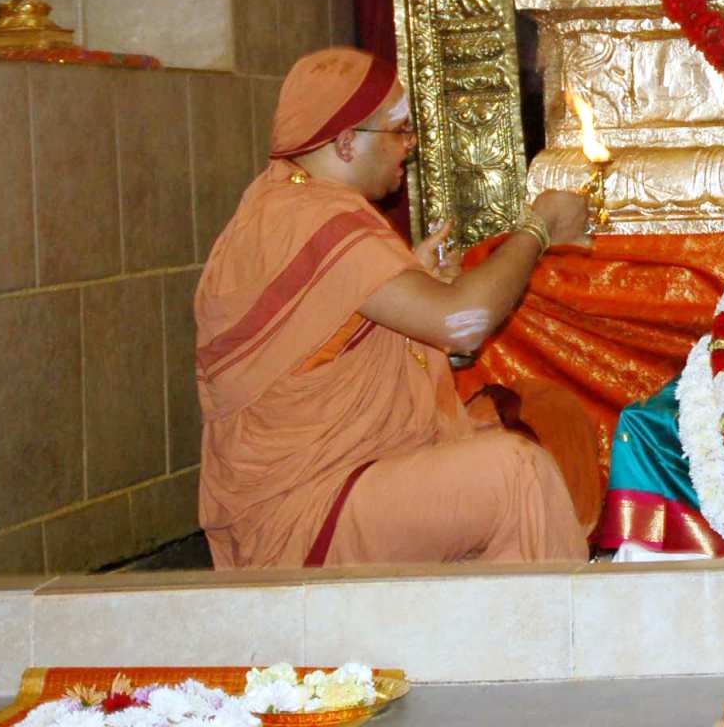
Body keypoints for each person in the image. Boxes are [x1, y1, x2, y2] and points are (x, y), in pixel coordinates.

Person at [194, 46, 596, 568]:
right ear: (345, 142)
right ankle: (550, 620)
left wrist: (412, 285)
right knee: (514, 474)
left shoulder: (284, 202)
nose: (410, 145)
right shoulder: (312, 219)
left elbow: (342, 334)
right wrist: (538, 228)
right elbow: (462, 323)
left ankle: (488, 613)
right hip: (306, 504)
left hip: (351, 467)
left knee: (544, 415)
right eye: (399, 130)